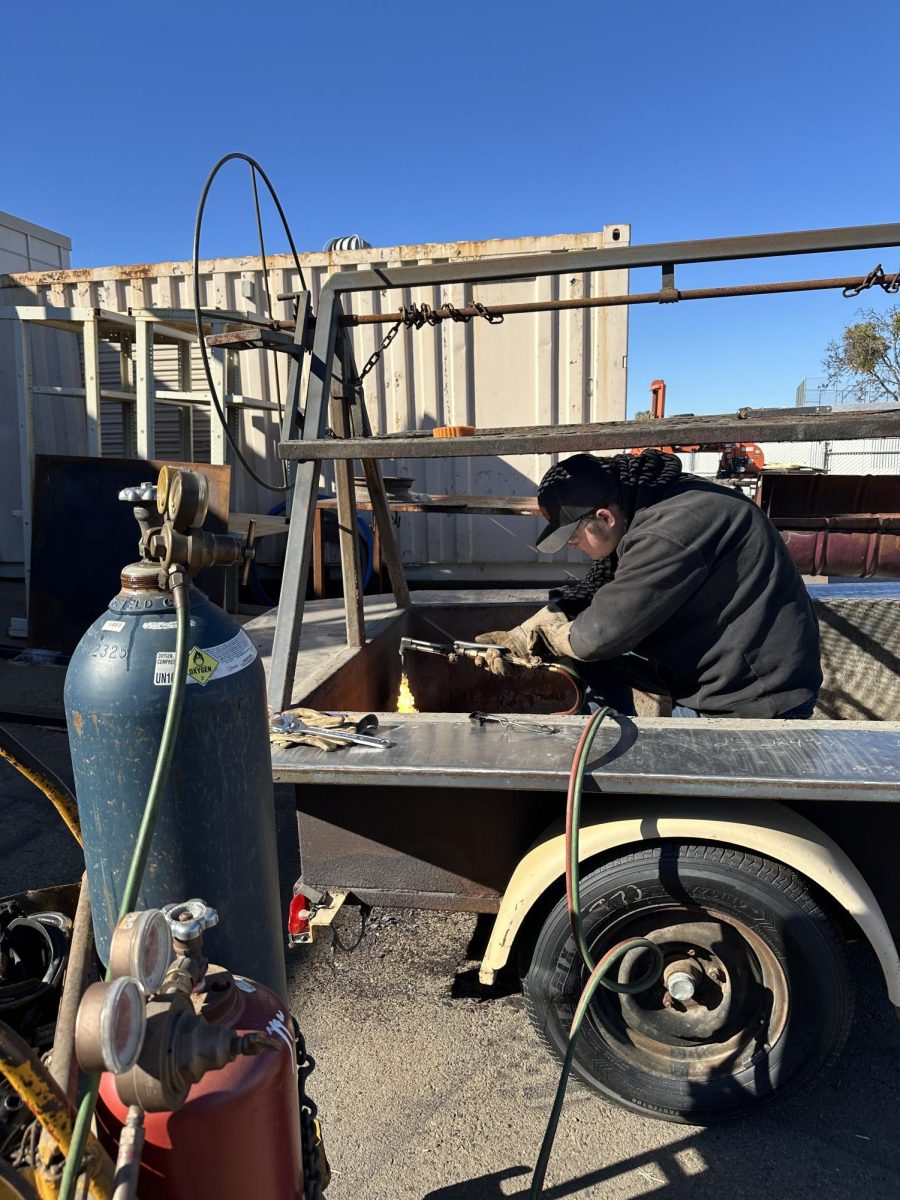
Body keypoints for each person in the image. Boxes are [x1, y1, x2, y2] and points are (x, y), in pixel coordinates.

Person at [474, 450, 822, 718]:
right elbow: (603, 586)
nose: (571, 545)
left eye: (573, 535)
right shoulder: (643, 505)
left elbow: (599, 635)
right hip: (712, 676)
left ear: (604, 517)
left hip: (757, 698)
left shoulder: (669, 530)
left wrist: (546, 637)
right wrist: (525, 631)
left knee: (712, 811)